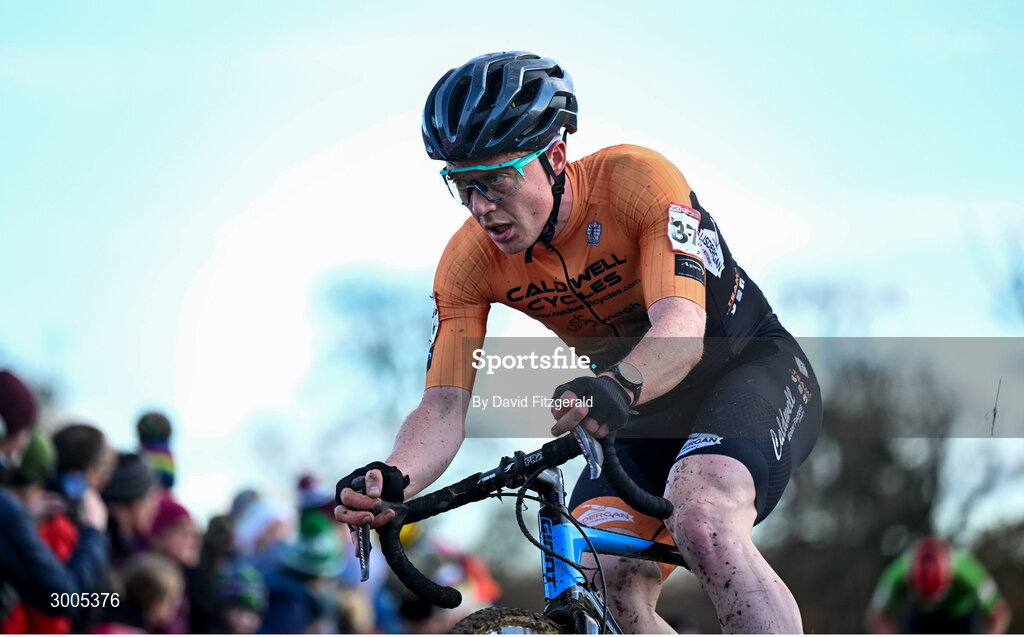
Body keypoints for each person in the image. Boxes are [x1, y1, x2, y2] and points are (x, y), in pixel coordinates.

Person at [335, 51, 822, 634]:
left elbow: (682, 331)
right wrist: (392, 477)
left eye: (497, 180)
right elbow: (442, 407)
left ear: (556, 156)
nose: (481, 207)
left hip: (746, 369)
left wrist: (617, 384)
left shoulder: (636, 182)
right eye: (461, 185)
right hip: (636, 410)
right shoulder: (467, 264)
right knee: (599, 568)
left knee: (703, 517)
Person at [0, 370, 109, 623]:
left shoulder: (17, 514)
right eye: (105, 467)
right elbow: (63, 598)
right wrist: (94, 533)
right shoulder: (18, 517)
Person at [866, 536, 1011, 634]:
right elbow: (876, 615)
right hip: (919, 620)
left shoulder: (969, 571)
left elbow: (999, 612)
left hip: (960, 619)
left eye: (937, 596)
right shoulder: (895, 574)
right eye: (925, 598)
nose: (932, 606)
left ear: (950, 577)